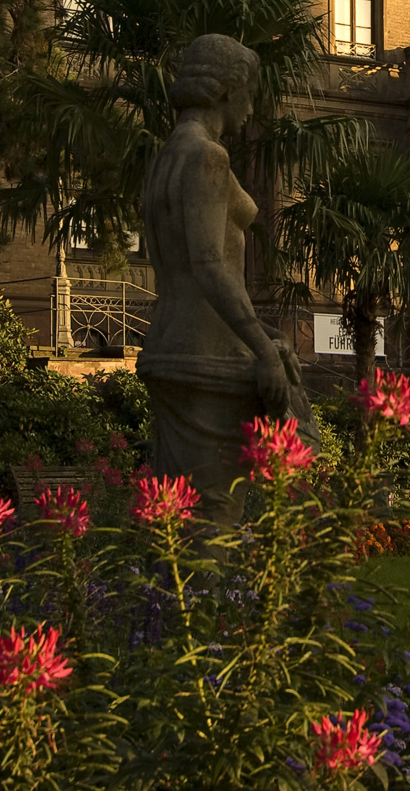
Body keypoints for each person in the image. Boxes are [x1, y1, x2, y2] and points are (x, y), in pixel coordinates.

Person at [138, 32, 319, 523]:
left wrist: (265, 334)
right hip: (206, 360)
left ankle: (166, 601)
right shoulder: (207, 157)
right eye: (249, 91)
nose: (252, 104)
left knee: (174, 521)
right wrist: (263, 351)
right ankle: (209, 601)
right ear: (225, 91)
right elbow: (209, 266)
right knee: (211, 522)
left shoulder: (163, 160)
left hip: (169, 348)